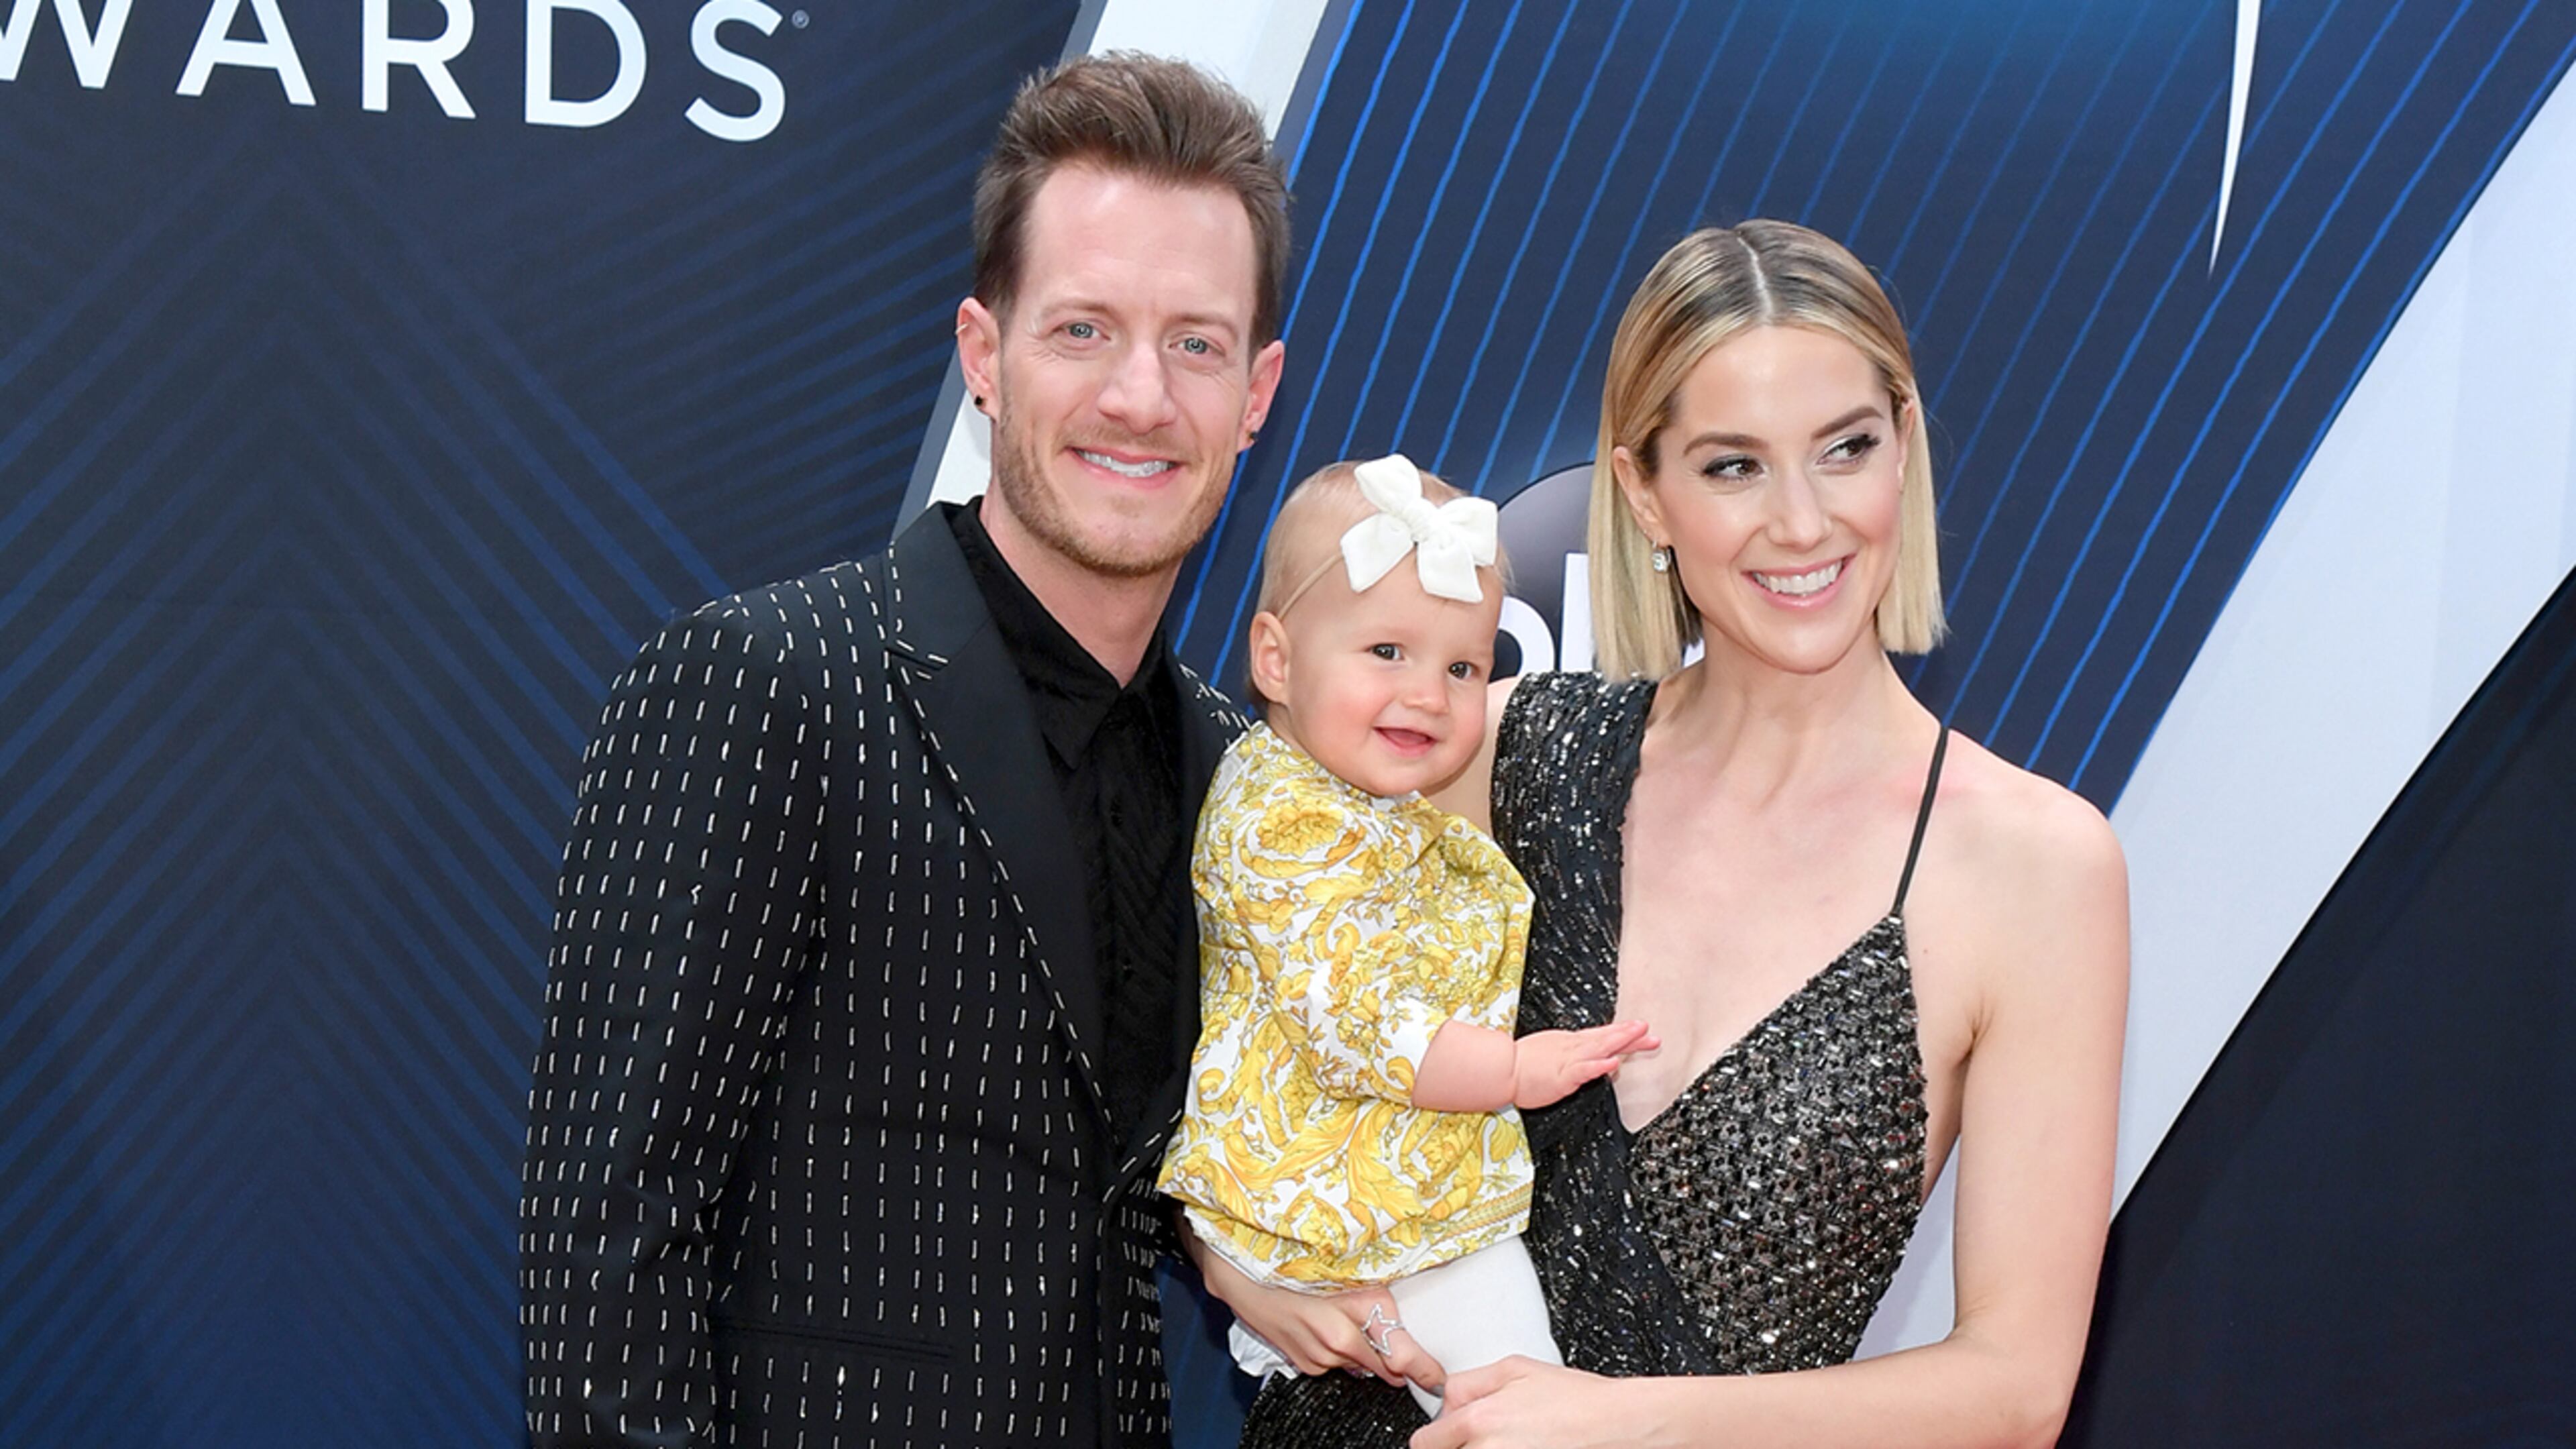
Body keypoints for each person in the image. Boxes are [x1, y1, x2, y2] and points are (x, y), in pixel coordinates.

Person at [1214, 220, 2131, 1448]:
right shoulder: (1491, 748)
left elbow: (2016, 1388)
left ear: (1902, 450)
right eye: (1734, 467)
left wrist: (1623, 1425)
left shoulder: (2034, 869)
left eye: (1845, 449)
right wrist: (1229, 1260)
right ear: (1643, 491)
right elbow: (1246, 986)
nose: (1801, 524)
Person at [517, 53, 1289, 1449]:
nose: (1139, 395)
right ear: (984, 357)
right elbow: (608, 1258)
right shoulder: (761, 687)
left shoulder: (1245, 776)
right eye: (1082, 330)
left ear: (1257, 392)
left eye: (1196, 342)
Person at [1155, 456, 1654, 1418]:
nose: (1429, 695)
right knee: (1528, 1416)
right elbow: (1357, 1022)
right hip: (1345, 1214)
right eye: (1387, 652)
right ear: (1275, 659)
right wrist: (1513, 1072)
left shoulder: (1366, 798)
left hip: (1391, 1201)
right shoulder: (1279, 821)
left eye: (1463, 667)